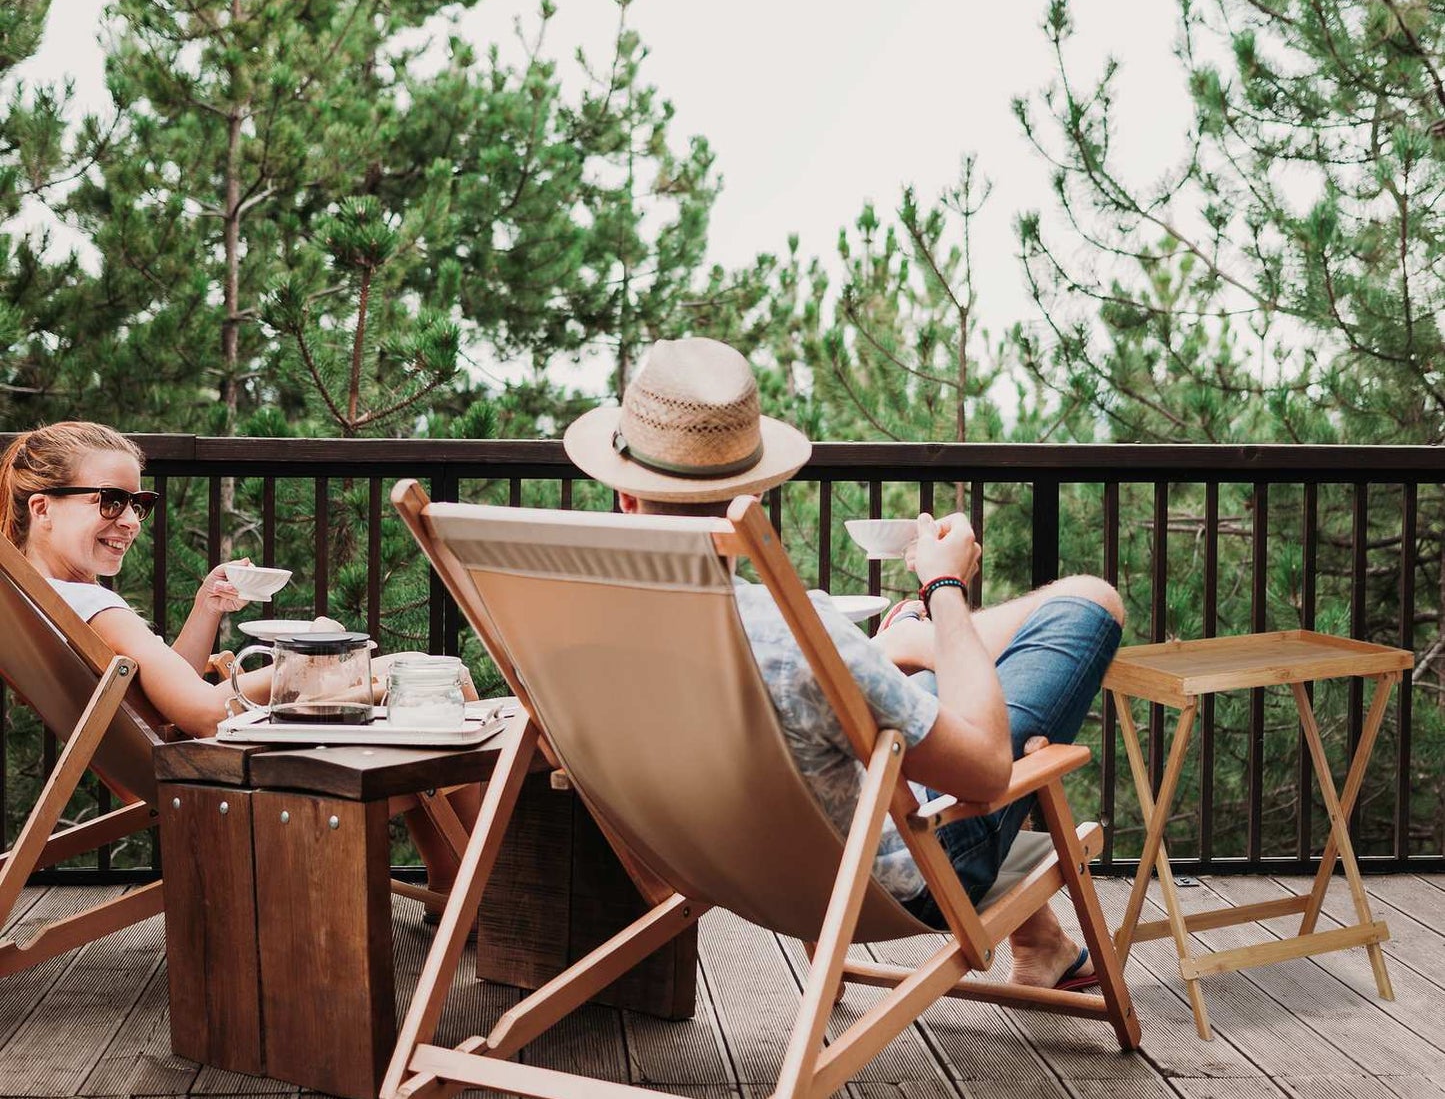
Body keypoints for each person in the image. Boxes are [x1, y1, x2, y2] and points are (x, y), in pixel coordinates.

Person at [563, 337, 1125, 991]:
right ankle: (919, 632)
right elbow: (988, 767)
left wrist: (886, 654)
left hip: (720, 865)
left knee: (900, 673)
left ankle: (909, 645)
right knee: (1090, 602)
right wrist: (943, 587)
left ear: (627, 498)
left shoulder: (577, 627)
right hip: (901, 872)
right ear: (755, 493)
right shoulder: (800, 636)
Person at [0, 420, 476, 903]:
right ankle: (483, 897)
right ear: (43, 508)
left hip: (169, 759)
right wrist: (310, 664)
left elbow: (161, 694)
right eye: (111, 500)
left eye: (139, 503)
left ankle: (452, 886)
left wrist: (207, 603)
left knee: (416, 681)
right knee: (441, 681)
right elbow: (205, 714)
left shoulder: (41, 600)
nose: (131, 521)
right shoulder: (97, 608)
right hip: (216, 773)